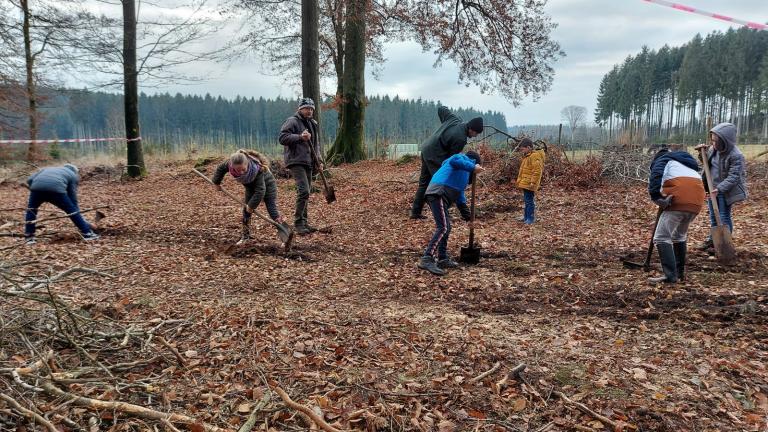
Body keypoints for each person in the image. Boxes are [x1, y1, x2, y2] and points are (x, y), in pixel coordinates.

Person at [417, 151, 484, 276]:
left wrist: (468, 217)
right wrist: (473, 167)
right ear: (474, 161)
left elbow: (460, 197)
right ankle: (427, 258)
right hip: (438, 192)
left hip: (441, 195)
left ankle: (442, 258)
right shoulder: (460, 158)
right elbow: (454, 160)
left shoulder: (462, 175)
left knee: (447, 227)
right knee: (443, 227)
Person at [410, 106, 483, 219]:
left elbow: (441, 109)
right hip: (435, 155)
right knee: (439, 184)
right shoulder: (460, 139)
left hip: (426, 148)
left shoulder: (454, 119)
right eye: (476, 134)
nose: (474, 137)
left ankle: (415, 212)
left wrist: (445, 126)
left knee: (424, 183)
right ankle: (441, 213)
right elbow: (451, 160)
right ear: (472, 130)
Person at [647, 147, 706, 284]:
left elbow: (656, 174)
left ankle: (670, 276)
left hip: (679, 199)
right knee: (679, 236)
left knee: (661, 237)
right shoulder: (686, 163)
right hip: (696, 202)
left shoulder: (664, 159)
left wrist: (656, 196)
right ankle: (679, 273)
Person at [212, 150, 285, 244]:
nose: (242, 172)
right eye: (238, 170)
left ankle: (285, 235)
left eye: (244, 169)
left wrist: (251, 206)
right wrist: (216, 182)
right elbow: (220, 169)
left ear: (247, 163)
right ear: (232, 165)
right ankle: (245, 237)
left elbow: (260, 191)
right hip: (250, 187)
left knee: (272, 210)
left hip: (268, 185)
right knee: (246, 211)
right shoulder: (229, 164)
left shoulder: (257, 169)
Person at [695, 122, 748, 251]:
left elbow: (734, 177)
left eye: (715, 141)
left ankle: (725, 243)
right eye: (712, 141)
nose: (713, 144)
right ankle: (713, 240)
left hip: (725, 190)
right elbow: (706, 163)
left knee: (723, 216)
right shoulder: (714, 150)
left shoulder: (736, 155)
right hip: (712, 188)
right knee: (713, 216)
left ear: (725, 141)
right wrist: (701, 153)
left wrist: (719, 189)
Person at [279, 97, 324, 235]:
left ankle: (304, 222)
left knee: (306, 192)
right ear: (300, 109)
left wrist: (319, 161)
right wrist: (299, 137)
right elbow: (282, 138)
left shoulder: (313, 123)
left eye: (311, 109)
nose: (309, 111)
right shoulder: (292, 121)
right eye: (306, 108)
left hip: (309, 161)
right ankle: (298, 224)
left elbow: (315, 144)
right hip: (295, 161)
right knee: (304, 190)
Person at [24, 164, 100, 244]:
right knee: (71, 210)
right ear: (75, 171)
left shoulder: (48, 168)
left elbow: (29, 180)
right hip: (56, 190)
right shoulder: (73, 175)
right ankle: (87, 233)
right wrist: (75, 210)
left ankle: (29, 237)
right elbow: (72, 195)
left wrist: (37, 188)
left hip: (36, 189)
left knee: (31, 211)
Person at [515, 138, 545, 224]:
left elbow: (537, 171)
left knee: (529, 201)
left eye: (523, 149)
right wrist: (520, 181)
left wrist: (533, 182)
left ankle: (530, 219)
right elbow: (523, 171)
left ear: (528, 147)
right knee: (526, 200)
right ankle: (526, 217)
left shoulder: (534, 156)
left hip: (530, 184)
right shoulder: (527, 156)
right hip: (525, 183)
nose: (522, 151)